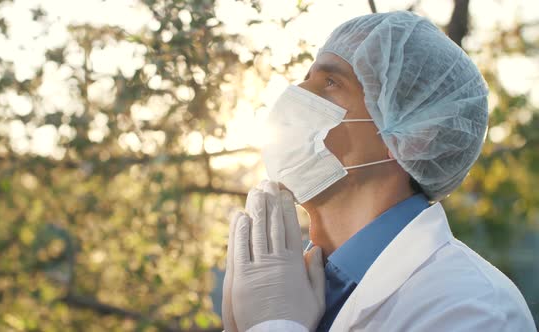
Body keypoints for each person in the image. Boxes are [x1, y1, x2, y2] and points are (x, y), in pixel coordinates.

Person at [221, 11, 537, 332]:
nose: (297, 94)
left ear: (413, 136)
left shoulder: (474, 309)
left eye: (331, 82)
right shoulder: (290, 282)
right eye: (306, 78)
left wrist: (274, 325)